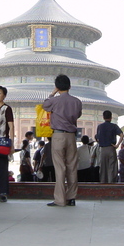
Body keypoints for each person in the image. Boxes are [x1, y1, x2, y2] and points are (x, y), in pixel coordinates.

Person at [42, 74, 82, 207]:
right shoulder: (77, 101)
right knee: (72, 166)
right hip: (71, 136)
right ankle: (71, 197)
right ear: (70, 86)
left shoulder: (54, 101)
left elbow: (45, 105)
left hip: (58, 136)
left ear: (58, 87)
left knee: (60, 168)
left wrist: (53, 93)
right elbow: (78, 115)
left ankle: (60, 199)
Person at [95, 110, 123, 183]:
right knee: (112, 169)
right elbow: (122, 135)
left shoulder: (100, 127)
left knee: (103, 169)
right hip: (111, 148)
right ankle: (111, 184)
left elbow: (97, 139)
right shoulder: (114, 126)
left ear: (103, 117)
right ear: (111, 117)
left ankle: (103, 184)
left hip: (102, 150)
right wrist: (117, 145)